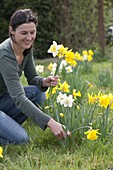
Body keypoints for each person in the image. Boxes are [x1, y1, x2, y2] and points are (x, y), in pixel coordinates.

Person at [0, 8, 71, 145]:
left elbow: (32, 78)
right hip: (6, 99)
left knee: (38, 92)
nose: (29, 37)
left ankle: (7, 125)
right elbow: (19, 99)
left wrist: (43, 82)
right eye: (24, 33)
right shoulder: (4, 55)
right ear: (12, 31)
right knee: (21, 139)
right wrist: (50, 122)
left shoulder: (25, 48)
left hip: (2, 99)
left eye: (32, 32)